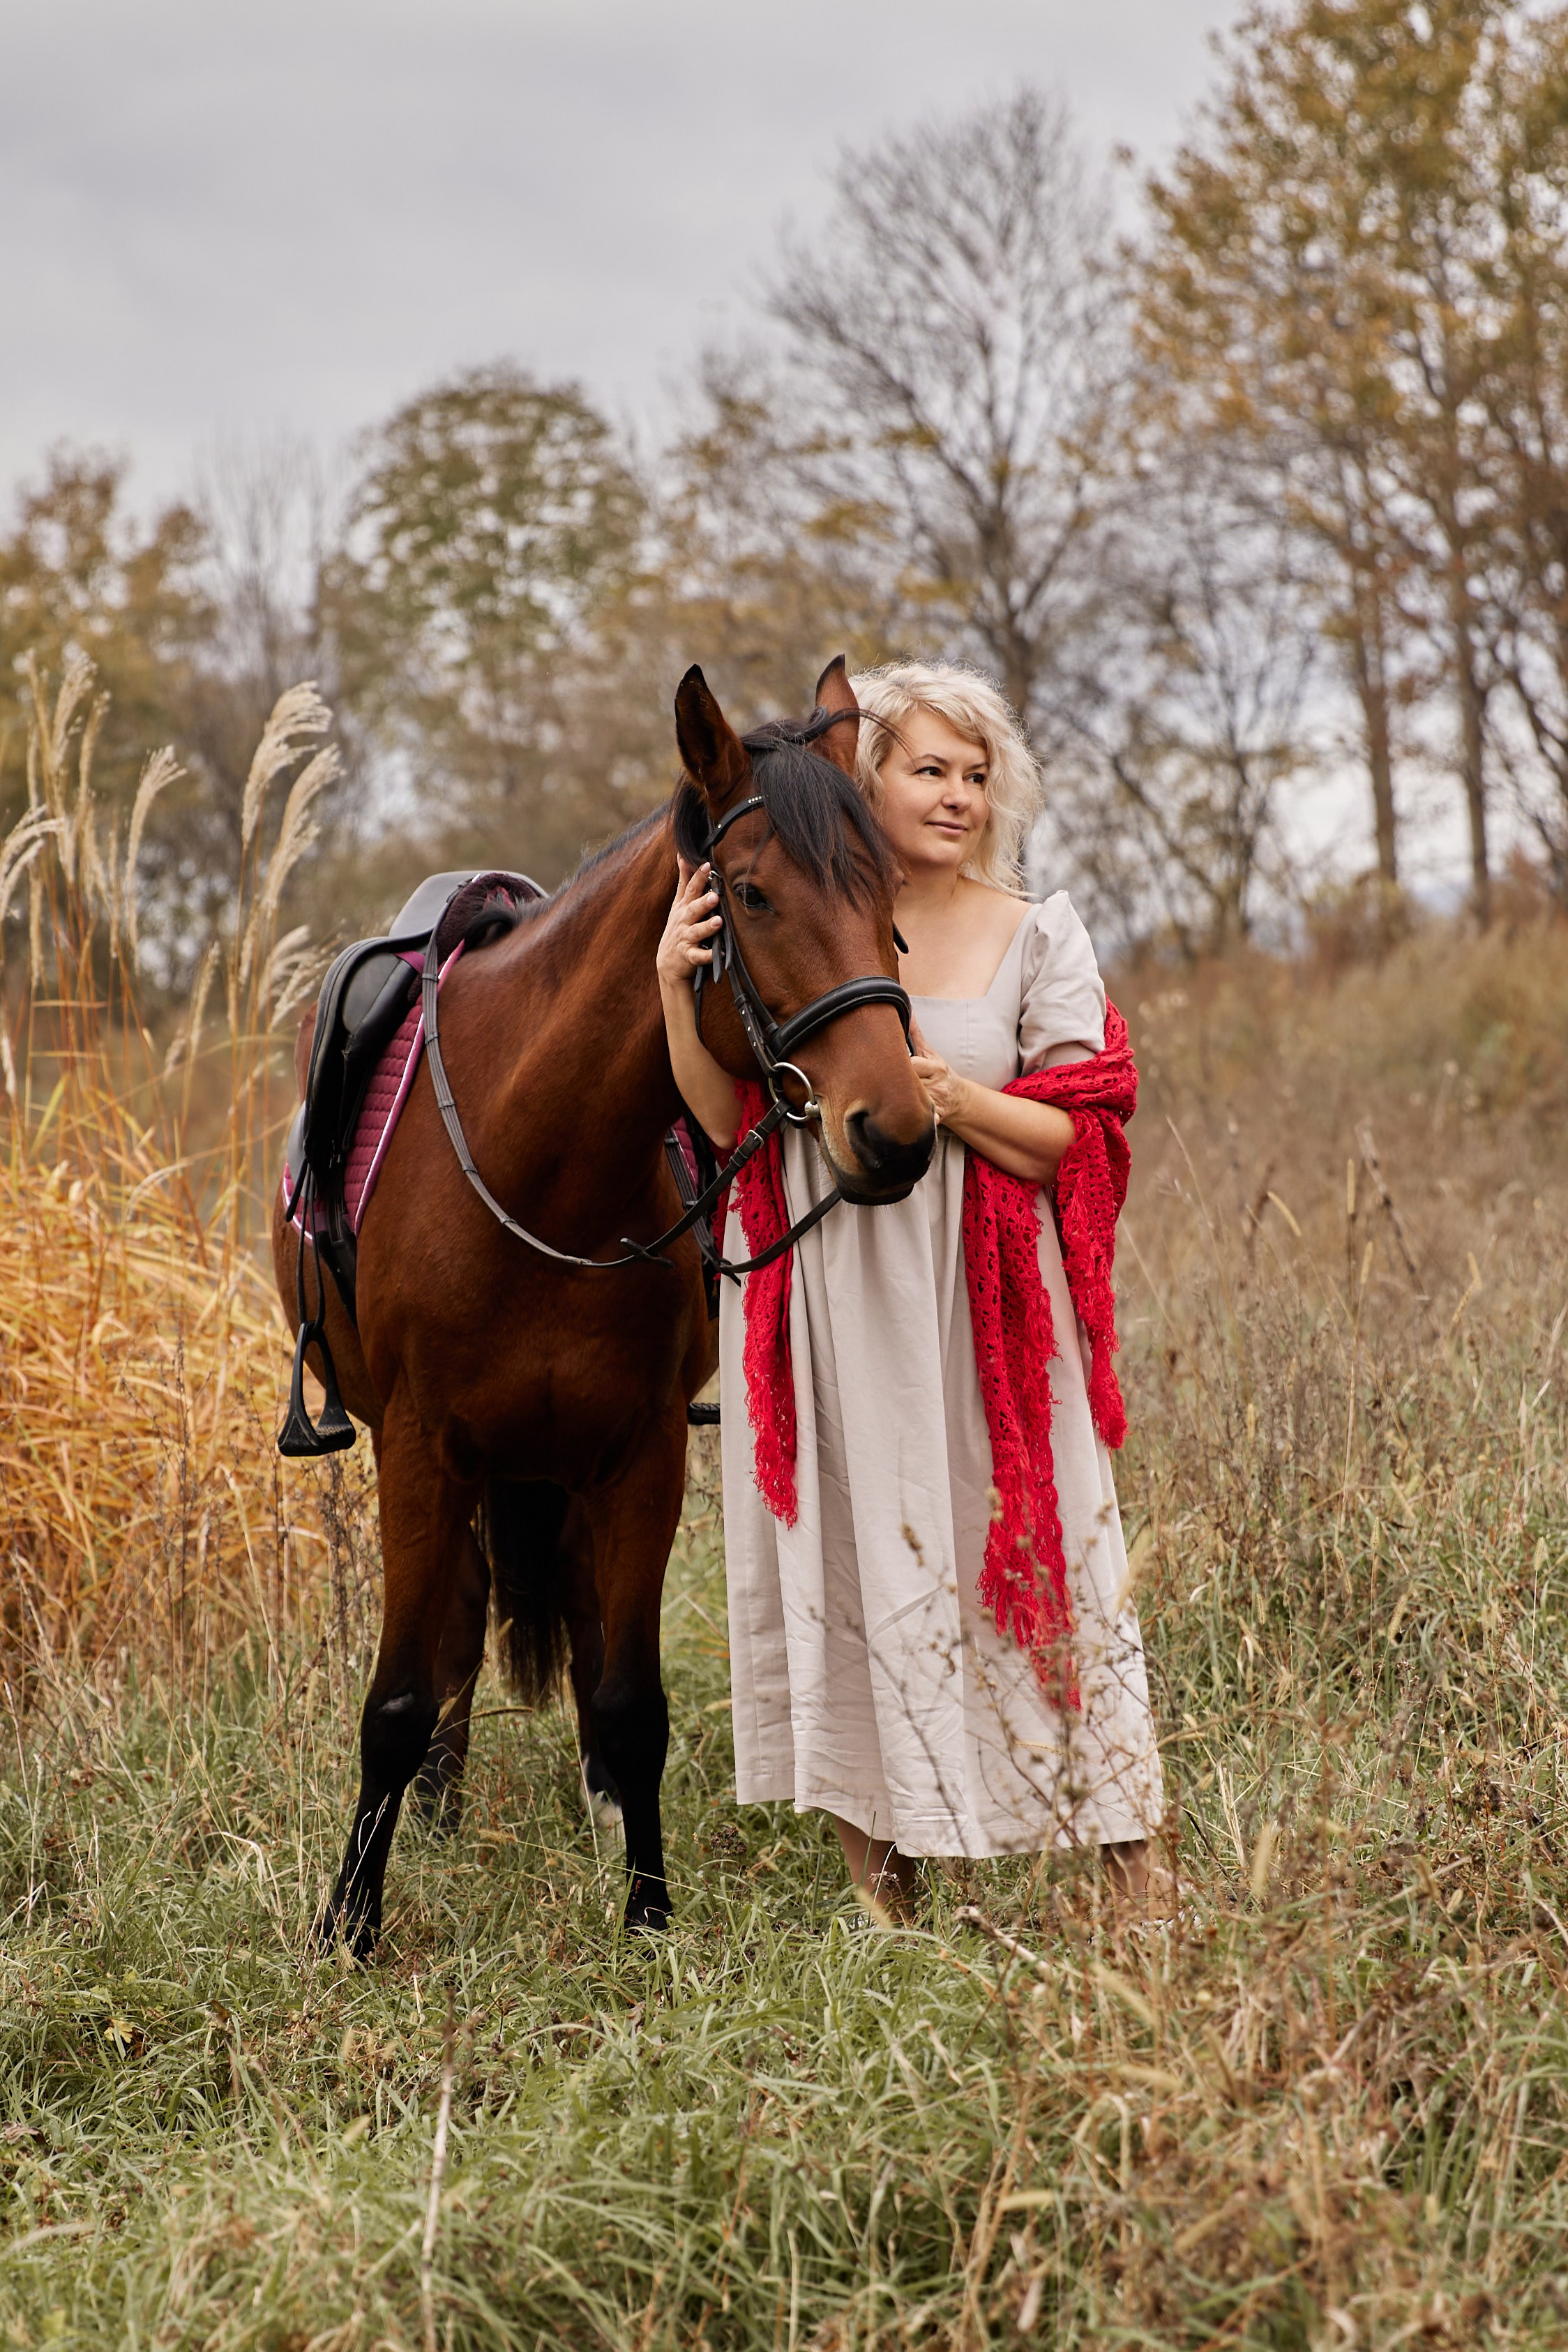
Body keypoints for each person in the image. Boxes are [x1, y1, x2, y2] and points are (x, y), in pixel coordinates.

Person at [656, 660, 1164, 1915]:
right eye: (928, 770)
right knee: (852, 1566)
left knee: (1049, 1572)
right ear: (861, 781)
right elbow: (732, 1127)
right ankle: (892, 1900)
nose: (957, 797)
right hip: (834, 1297)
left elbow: (1086, 1138)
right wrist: (676, 985)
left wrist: (957, 1098)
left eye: (977, 775)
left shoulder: (1038, 931)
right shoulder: (805, 911)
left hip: (985, 1307)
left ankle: (1134, 1878)